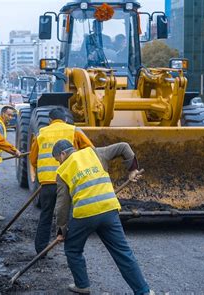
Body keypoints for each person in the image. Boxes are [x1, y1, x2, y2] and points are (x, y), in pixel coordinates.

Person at [52, 140, 151, 295]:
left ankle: (82, 285)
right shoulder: (95, 152)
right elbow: (124, 146)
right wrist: (132, 170)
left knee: (72, 249)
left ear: (63, 154)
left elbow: (62, 205)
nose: (59, 163)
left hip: (84, 215)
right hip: (109, 210)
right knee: (123, 253)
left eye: (58, 159)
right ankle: (143, 291)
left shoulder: (62, 171)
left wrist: (61, 230)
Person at [29, 108, 94, 255]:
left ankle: (41, 250)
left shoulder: (41, 134)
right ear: (65, 119)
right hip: (69, 181)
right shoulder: (74, 130)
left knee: (46, 214)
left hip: (48, 184)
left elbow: (33, 160)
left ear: (50, 120)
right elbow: (90, 149)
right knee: (70, 216)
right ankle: (72, 249)